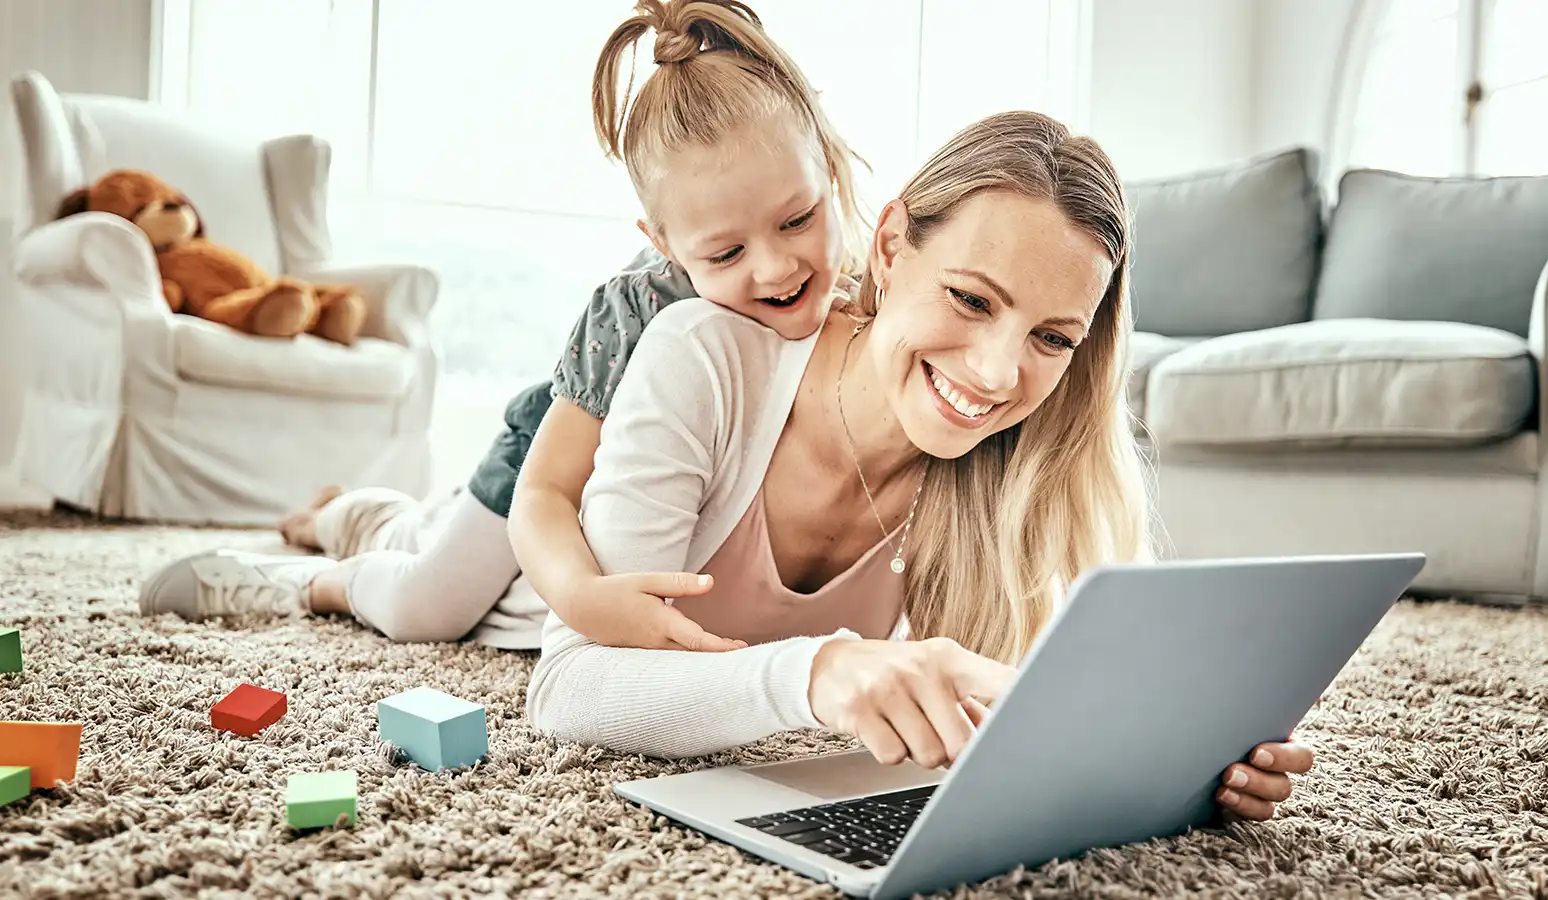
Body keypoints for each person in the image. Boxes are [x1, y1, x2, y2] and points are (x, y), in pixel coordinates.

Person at [520, 108, 1314, 823]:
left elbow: (1050, 702)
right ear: (892, 246)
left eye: (1051, 338)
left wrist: (1190, 759)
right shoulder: (701, 354)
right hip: (516, 576)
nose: (998, 376)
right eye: (972, 300)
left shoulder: (1012, 472)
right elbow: (568, 689)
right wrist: (820, 672)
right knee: (426, 590)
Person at [141, 0, 861, 653]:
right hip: (545, 464)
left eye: (798, 219)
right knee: (432, 607)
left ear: (827, 170)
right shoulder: (639, 306)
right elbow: (544, 494)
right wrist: (580, 595)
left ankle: (364, 513)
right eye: (727, 253)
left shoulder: (865, 290)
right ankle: (311, 576)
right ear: (665, 242)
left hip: (667, 494)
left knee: (454, 562)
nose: (775, 268)